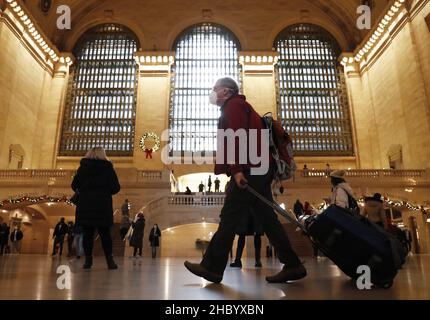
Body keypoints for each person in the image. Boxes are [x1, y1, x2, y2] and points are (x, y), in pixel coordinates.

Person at [184, 77, 306, 284]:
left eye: (215, 89)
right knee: (267, 218)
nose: (212, 92)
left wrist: (237, 170)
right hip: (258, 168)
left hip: (250, 169)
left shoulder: (234, 106)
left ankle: (211, 268)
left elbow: (237, 137)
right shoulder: (239, 106)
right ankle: (293, 265)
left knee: (230, 217)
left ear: (226, 91)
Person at [71, 147, 121, 270]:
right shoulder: (108, 168)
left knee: (88, 234)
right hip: (102, 205)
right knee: (105, 234)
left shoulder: (82, 168)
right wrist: (104, 190)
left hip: (85, 204)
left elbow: (74, 185)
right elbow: (116, 188)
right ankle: (110, 261)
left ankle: (88, 261)